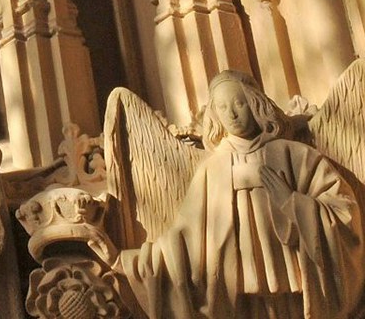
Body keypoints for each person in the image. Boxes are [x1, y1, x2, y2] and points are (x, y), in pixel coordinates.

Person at [120, 70, 365, 318]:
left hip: (296, 286)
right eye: (222, 107)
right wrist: (133, 262)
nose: (232, 114)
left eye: (239, 103)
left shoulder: (294, 155)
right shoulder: (212, 170)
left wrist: (293, 203)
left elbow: (343, 210)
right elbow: (188, 236)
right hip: (239, 295)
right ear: (214, 114)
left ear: (255, 103)